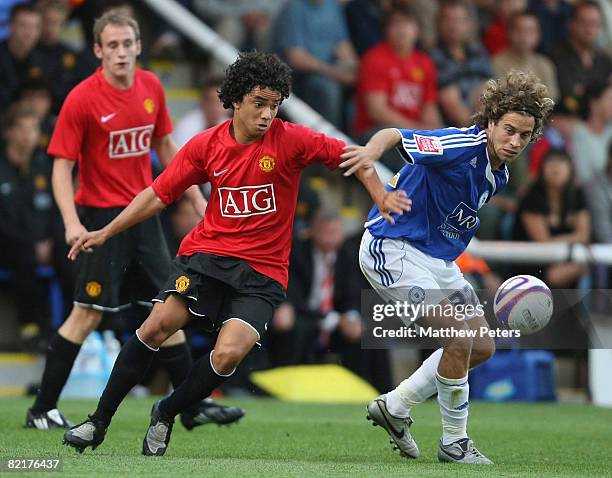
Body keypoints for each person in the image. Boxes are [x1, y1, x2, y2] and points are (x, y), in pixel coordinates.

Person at [61, 50, 411, 456]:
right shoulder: (206, 145)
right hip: (207, 256)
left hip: (263, 272)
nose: (267, 114)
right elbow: (157, 195)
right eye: (259, 104)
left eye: (275, 105)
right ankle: (97, 422)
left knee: (227, 355)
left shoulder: (293, 139)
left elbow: (358, 158)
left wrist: (380, 195)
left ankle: (167, 412)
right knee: (157, 325)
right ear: (236, 100)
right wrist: (106, 230)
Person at [26, 10, 243, 431]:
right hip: (101, 219)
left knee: (170, 306)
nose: (121, 53)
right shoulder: (82, 99)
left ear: (139, 47)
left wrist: (195, 195)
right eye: (112, 46)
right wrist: (71, 222)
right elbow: (60, 166)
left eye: (127, 44)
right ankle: (42, 409)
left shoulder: (150, 86)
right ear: (98, 51)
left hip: (145, 214)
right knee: (86, 314)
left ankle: (191, 407)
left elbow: (165, 145)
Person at [343, 70, 554, 464]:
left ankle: (395, 405)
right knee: (458, 339)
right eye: (508, 130)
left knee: (483, 346)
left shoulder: (500, 175)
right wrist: (371, 153)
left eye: (524, 135)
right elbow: (394, 134)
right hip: (393, 248)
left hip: (437, 260)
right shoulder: (459, 144)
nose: (515, 141)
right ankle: (454, 443)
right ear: (490, 121)